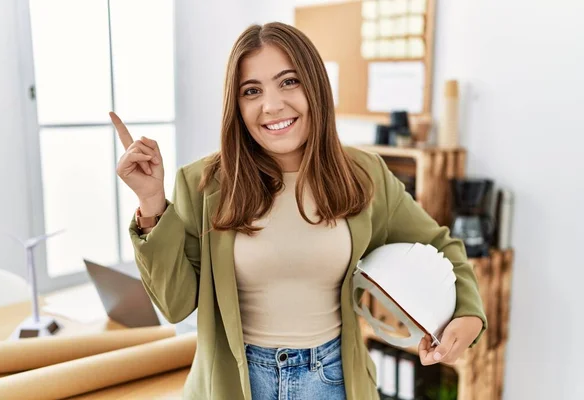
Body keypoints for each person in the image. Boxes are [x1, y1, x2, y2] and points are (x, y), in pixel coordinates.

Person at [111, 21, 486, 400]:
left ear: (315, 87)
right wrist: (151, 202)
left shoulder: (364, 174)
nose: (271, 105)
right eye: (251, 90)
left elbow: (441, 246)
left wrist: (469, 314)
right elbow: (176, 305)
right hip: (235, 385)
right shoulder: (203, 184)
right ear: (237, 105)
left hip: (333, 381)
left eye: (289, 82)